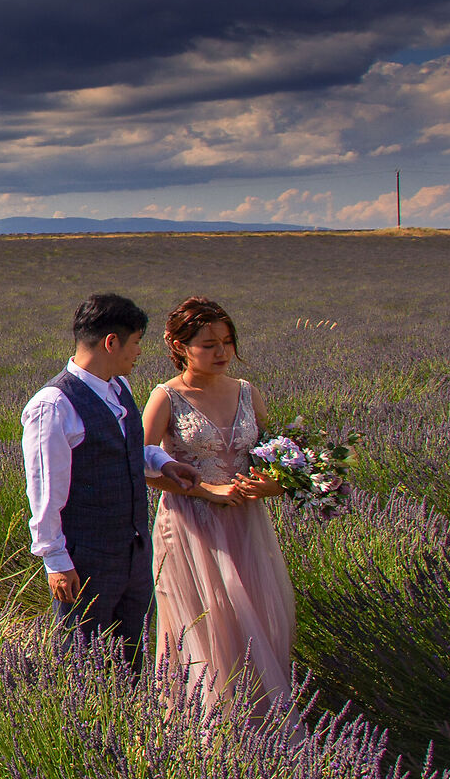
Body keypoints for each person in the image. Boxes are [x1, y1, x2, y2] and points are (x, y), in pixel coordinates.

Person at [21, 294, 200, 663]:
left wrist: (164, 463)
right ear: (111, 342)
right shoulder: (54, 404)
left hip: (133, 552)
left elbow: (127, 449)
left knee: (132, 658)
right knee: (83, 661)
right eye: (136, 342)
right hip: (86, 559)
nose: (139, 352)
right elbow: (44, 492)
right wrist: (55, 561)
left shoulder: (119, 388)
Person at [143, 297, 298, 713]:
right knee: (204, 622)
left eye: (227, 342)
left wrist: (273, 486)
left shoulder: (247, 392)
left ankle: (258, 719)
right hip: (190, 524)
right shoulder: (166, 397)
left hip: (246, 523)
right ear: (180, 346)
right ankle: (206, 726)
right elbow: (140, 467)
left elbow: (275, 458)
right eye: (209, 344)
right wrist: (208, 491)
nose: (222, 352)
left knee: (254, 618)